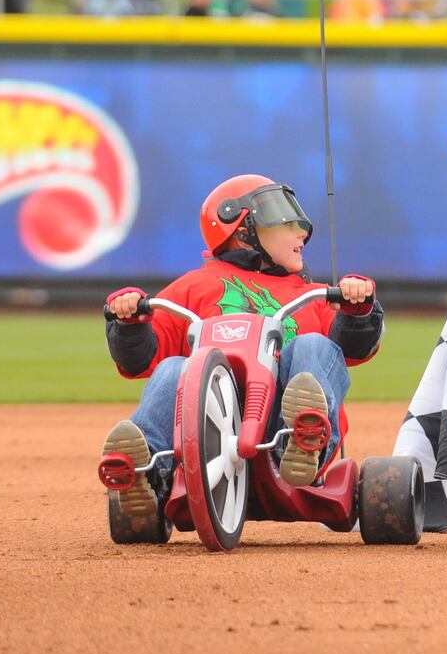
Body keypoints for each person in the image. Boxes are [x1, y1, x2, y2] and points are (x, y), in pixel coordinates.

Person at [98, 175, 386, 521]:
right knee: (173, 368)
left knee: (314, 345)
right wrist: (129, 322)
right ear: (243, 228)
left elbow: (355, 349)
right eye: (287, 222)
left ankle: (305, 437)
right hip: (205, 430)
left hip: (280, 425)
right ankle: (145, 472)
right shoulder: (193, 286)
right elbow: (139, 361)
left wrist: (358, 309)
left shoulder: (311, 295)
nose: (303, 234)